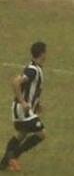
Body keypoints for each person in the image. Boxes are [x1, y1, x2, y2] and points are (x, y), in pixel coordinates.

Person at [0, 42, 48, 173]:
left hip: (23, 109)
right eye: (46, 52)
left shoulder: (35, 67)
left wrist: (36, 104)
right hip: (22, 110)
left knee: (21, 135)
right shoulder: (33, 70)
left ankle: (3, 164)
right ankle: (13, 157)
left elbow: (30, 88)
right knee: (41, 134)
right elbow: (16, 82)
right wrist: (23, 102)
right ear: (42, 53)